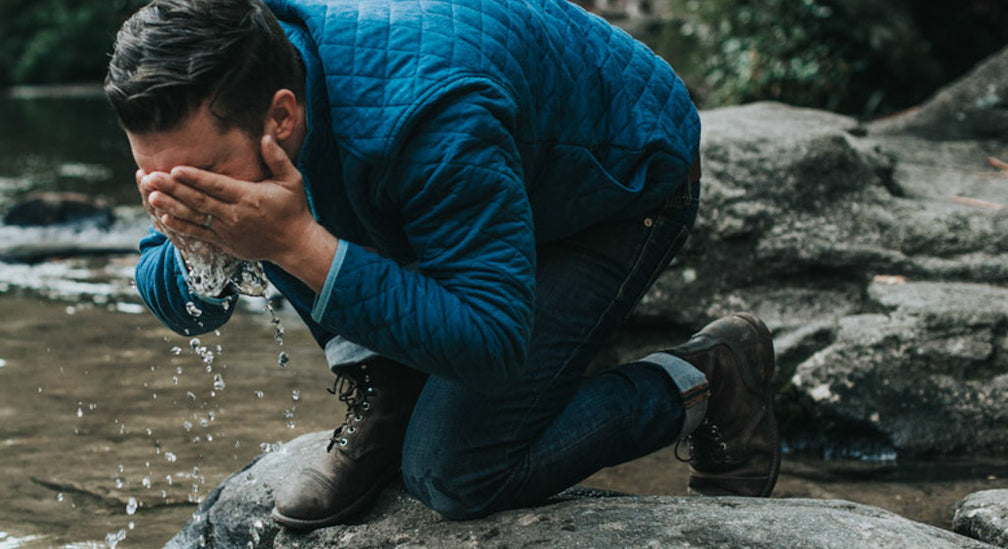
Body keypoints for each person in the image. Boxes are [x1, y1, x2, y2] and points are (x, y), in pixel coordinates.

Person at [104, 0, 780, 530]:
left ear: (282, 115)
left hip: (617, 181)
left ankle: (710, 377)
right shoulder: (233, 94)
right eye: (157, 179)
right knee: (265, 211)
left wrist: (296, 245)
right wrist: (193, 235)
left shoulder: (431, 117)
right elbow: (190, 307)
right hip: (483, 177)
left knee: (454, 473)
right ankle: (388, 380)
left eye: (201, 178)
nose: (189, 195)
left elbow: (492, 340)